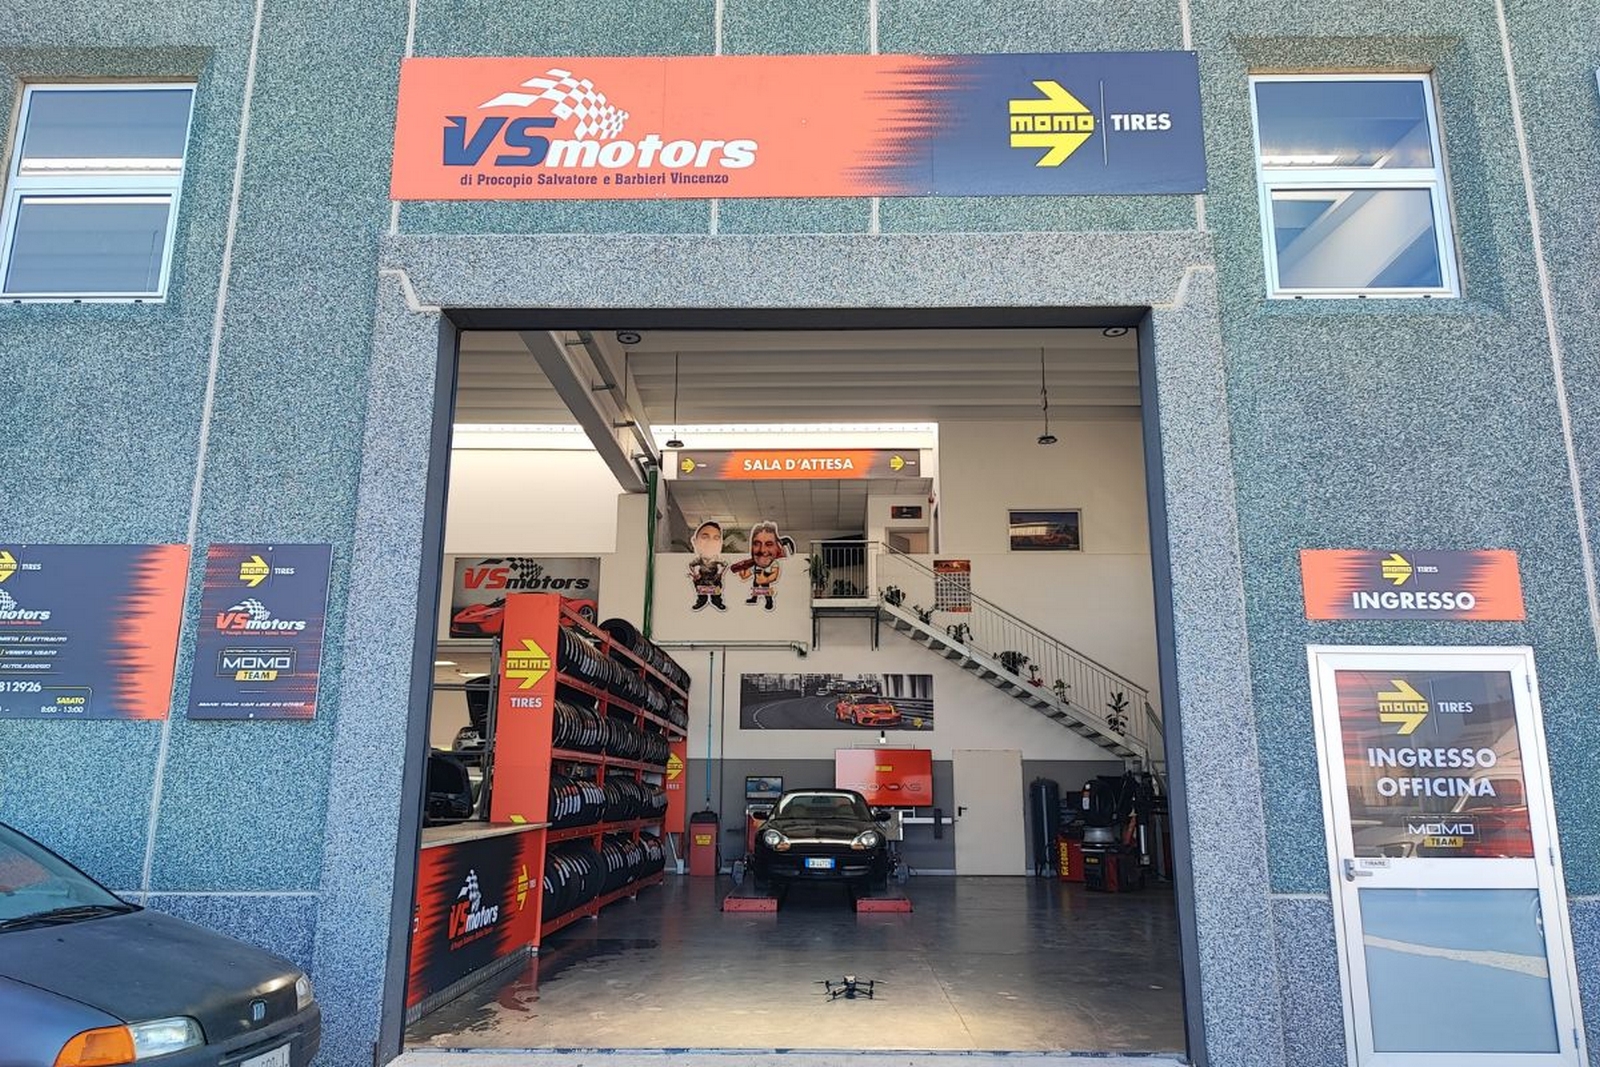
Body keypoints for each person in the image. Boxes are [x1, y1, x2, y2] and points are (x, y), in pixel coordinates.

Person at [730, 520, 784, 611]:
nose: (762, 550)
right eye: (756, 544)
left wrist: (766, 579)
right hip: (757, 578)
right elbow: (745, 576)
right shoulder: (754, 564)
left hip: (765, 579)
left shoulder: (773, 563)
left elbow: (774, 575)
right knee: (755, 585)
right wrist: (742, 571)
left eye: (769, 544)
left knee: (766, 589)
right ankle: (754, 598)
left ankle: (769, 601)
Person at [686, 520, 728, 611]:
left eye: (716, 538)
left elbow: (725, 564)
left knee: (716, 594)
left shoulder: (717, 559)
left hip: (714, 580)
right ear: (694, 541)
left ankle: (717, 602)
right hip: (702, 579)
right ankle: (701, 602)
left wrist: (720, 573)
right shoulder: (699, 559)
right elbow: (691, 565)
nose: (710, 542)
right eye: (705, 537)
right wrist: (695, 574)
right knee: (701, 594)